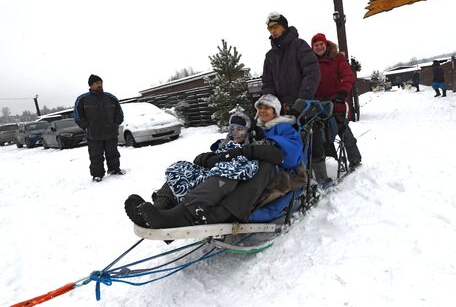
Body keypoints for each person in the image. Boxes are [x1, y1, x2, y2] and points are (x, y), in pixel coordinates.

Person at [125, 94, 304, 229]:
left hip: (275, 171)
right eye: (260, 108)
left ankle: (182, 214)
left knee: (234, 170)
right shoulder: (255, 128)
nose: (263, 111)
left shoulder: (284, 127)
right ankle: (160, 208)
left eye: (268, 108)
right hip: (246, 163)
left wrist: (246, 151)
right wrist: (211, 157)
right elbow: (232, 144)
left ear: (276, 111)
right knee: (187, 170)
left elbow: (289, 155)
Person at [261, 12, 323, 180]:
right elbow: (268, 83)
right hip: (282, 108)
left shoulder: (299, 46)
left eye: (275, 27)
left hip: (303, 104)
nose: (272, 31)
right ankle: (288, 175)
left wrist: (302, 100)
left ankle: (321, 176)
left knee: (310, 135)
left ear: (284, 27)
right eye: (269, 28)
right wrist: (269, 104)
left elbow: (312, 72)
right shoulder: (270, 56)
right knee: (281, 139)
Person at [311, 33, 362, 171]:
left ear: (326, 44)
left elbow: (348, 76)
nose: (319, 47)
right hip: (318, 103)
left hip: (336, 100)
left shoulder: (337, 58)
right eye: (316, 45)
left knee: (342, 128)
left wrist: (342, 92)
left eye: (321, 44)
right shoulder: (310, 62)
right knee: (315, 132)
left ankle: (355, 158)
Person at [74, 74, 125, 182]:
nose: (100, 85)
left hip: (110, 131)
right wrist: (86, 127)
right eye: (97, 83)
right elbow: (78, 116)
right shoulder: (82, 99)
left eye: (101, 82)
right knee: (95, 156)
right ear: (90, 85)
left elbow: (119, 112)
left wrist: (116, 123)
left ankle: (114, 169)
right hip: (93, 134)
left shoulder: (110, 97)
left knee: (113, 153)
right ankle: (97, 174)